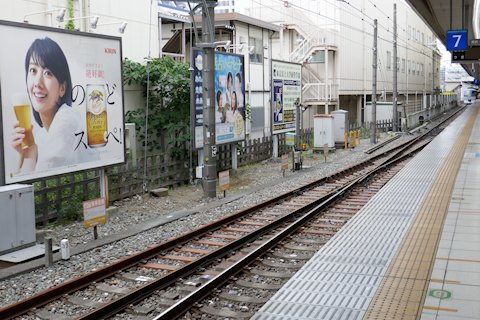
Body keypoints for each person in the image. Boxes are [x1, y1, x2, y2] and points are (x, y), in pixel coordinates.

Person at [11, 37, 81, 172]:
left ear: (62, 88)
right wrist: (27, 151)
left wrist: (29, 157)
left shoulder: (66, 121)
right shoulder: (41, 136)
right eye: (33, 70)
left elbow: (36, 181)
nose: (38, 82)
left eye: (48, 73)